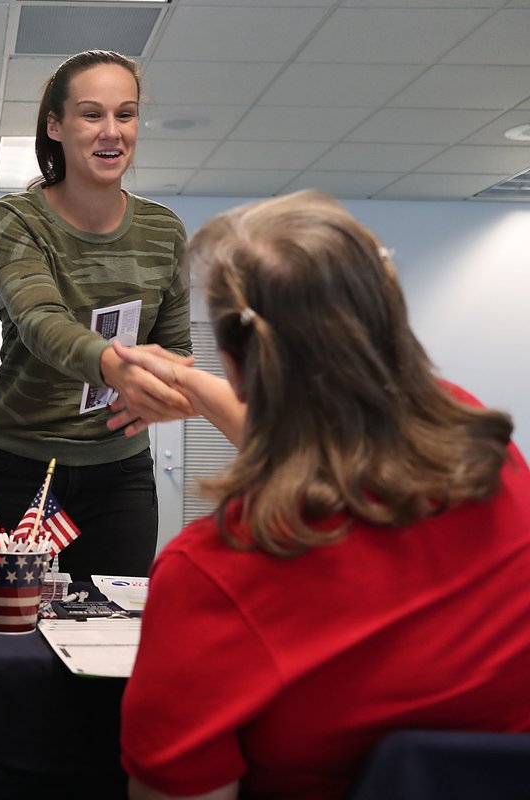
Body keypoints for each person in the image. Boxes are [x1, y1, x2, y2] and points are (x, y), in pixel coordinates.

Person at [115, 190, 530, 800]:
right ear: (389, 318)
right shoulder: (489, 454)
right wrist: (194, 385)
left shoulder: (214, 574)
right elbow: (328, 421)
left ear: (232, 359)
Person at [0, 49, 193, 581]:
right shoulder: (14, 219)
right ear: (56, 125)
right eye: (92, 114)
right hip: (16, 464)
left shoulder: (165, 231)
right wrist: (116, 365)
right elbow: (40, 321)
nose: (112, 131)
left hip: (120, 471)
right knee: (7, 635)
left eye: (126, 114)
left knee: (112, 641)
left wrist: (160, 394)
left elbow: (178, 349)